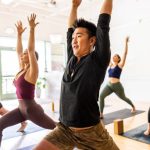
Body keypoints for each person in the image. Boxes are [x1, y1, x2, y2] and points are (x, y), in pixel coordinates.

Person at [34, 0, 119, 150]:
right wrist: (74, 7)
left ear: (92, 40)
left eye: (79, 36)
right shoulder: (71, 59)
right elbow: (69, 30)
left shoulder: (98, 59)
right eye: (73, 38)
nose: (73, 40)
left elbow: (103, 24)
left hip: (91, 133)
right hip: (64, 130)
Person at [0, 13, 56, 146]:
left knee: (58, 128)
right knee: (0, 125)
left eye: (25, 54)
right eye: (23, 54)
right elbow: (18, 51)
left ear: (32, 58)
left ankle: (82, 137)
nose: (22, 55)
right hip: (21, 110)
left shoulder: (32, 71)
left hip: (32, 110)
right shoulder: (21, 69)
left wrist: (32, 29)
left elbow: (30, 50)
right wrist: (19, 35)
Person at [99, 36, 136, 119]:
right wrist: (106, 46)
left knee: (123, 98)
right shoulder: (111, 65)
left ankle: (133, 106)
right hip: (109, 85)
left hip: (117, 86)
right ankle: (101, 113)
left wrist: (126, 42)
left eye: (116, 56)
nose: (114, 56)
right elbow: (106, 55)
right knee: (101, 96)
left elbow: (125, 53)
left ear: (119, 59)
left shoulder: (120, 65)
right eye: (114, 56)